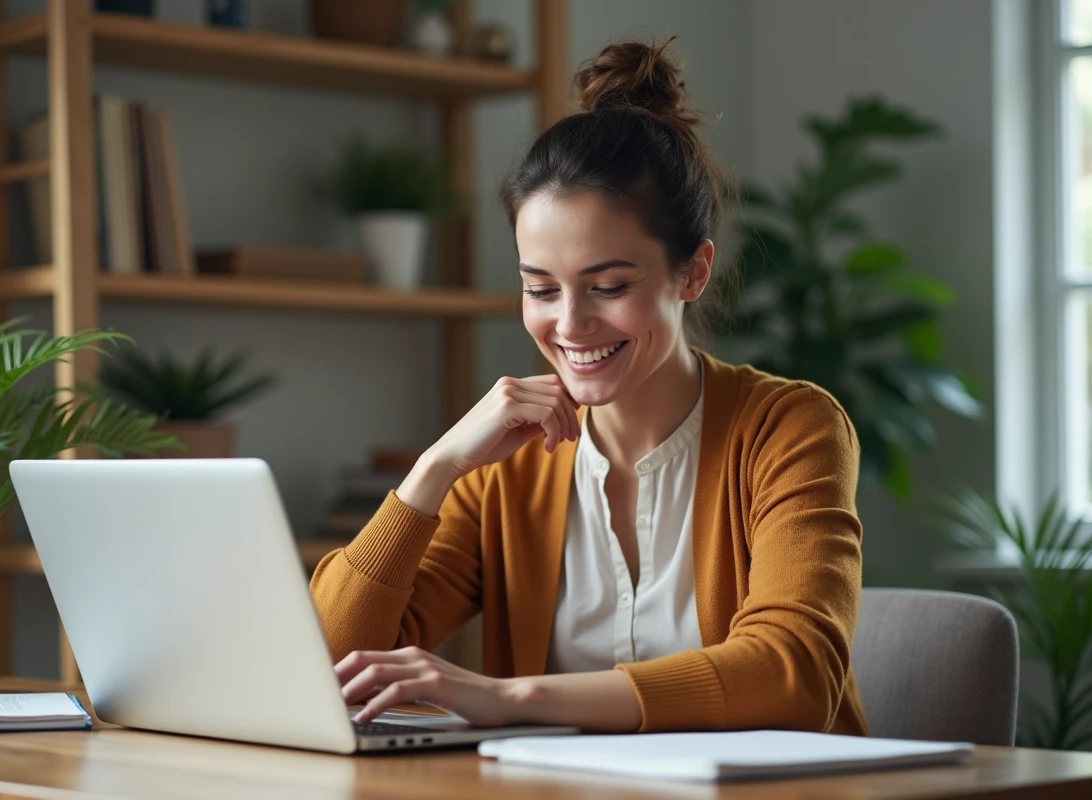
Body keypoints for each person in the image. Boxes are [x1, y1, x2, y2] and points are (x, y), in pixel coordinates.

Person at [310, 37, 867, 736]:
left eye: (607, 286)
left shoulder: (789, 428)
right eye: (540, 288)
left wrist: (510, 698)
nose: (569, 324)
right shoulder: (505, 468)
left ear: (692, 273)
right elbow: (328, 662)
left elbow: (795, 673)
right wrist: (435, 470)